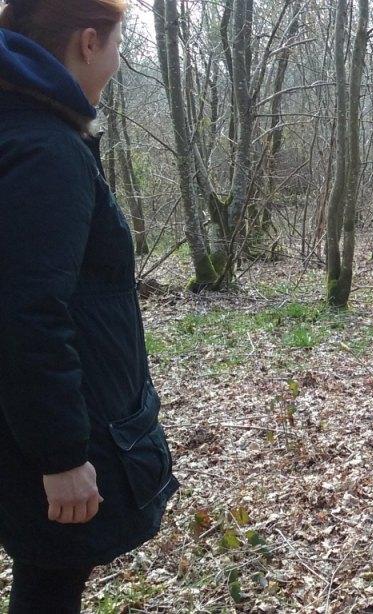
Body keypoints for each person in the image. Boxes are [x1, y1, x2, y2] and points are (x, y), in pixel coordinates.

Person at [0, 1, 178, 611]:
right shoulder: (44, 149)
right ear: (87, 42)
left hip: (22, 422)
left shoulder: (21, 127)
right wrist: (63, 456)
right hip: (41, 440)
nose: (120, 60)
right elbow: (26, 313)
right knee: (50, 584)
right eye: (119, 45)